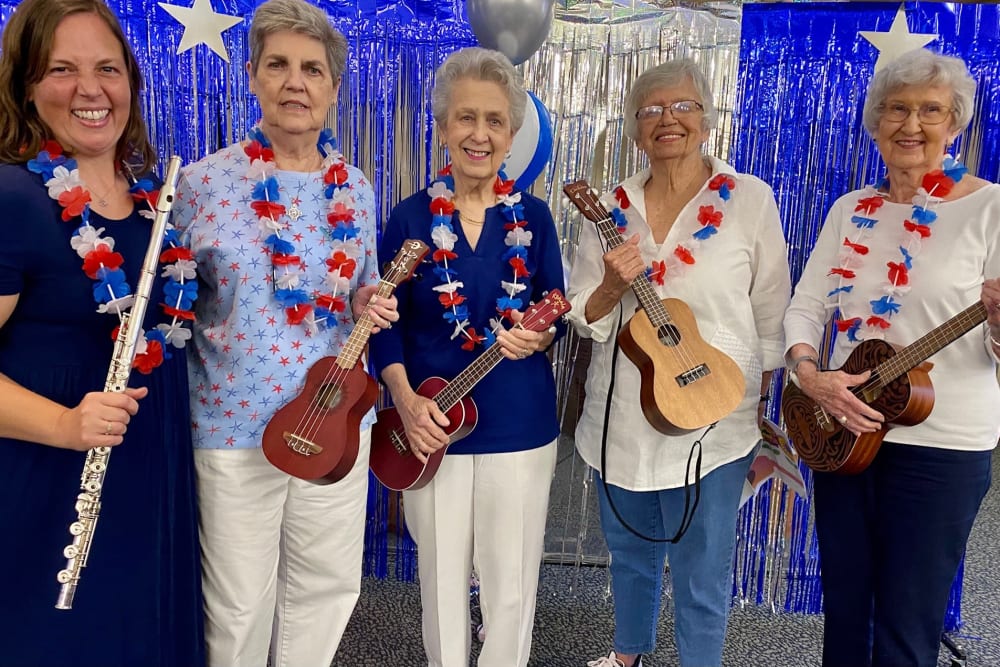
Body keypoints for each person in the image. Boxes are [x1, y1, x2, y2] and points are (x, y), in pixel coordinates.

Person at [170, 0, 398, 664]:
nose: (296, 82)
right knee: (239, 605)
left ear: (332, 88)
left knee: (326, 590)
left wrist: (366, 299)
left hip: (334, 420)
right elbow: (173, 303)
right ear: (252, 77)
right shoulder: (203, 184)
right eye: (279, 65)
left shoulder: (354, 188)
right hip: (231, 427)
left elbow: (364, 287)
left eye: (313, 69)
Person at [567, 59, 791, 667]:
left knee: (702, 565)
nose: (668, 120)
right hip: (622, 414)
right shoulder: (608, 208)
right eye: (650, 111)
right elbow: (585, 317)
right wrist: (613, 286)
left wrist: (767, 404)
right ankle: (627, 655)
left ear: (707, 119)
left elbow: (771, 309)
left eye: (682, 106)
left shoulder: (749, 200)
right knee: (630, 550)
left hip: (719, 418)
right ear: (635, 131)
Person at [0, 0, 204, 665]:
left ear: (131, 84)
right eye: (62, 69)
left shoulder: (153, 201)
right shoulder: (13, 198)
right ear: (26, 86)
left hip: (148, 475)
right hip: (47, 484)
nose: (90, 89)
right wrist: (64, 425)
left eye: (107, 69)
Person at [783, 48, 999, 667]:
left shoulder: (991, 209)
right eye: (897, 109)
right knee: (847, 610)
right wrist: (810, 374)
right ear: (875, 124)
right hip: (845, 431)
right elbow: (805, 307)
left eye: (931, 111)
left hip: (946, 444)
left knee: (909, 620)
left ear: (955, 124)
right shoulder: (851, 210)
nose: (912, 125)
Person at [369, 47, 565, 667]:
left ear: (511, 133)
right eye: (465, 118)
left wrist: (540, 338)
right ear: (443, 127)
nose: (479, 135)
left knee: (512, 585)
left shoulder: (535, 218)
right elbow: (383, 327)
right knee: (441, 582)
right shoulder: (408, 216)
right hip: (430, 427)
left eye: (494, 121)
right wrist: (404, 400)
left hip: (519, 424)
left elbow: (555, 309)